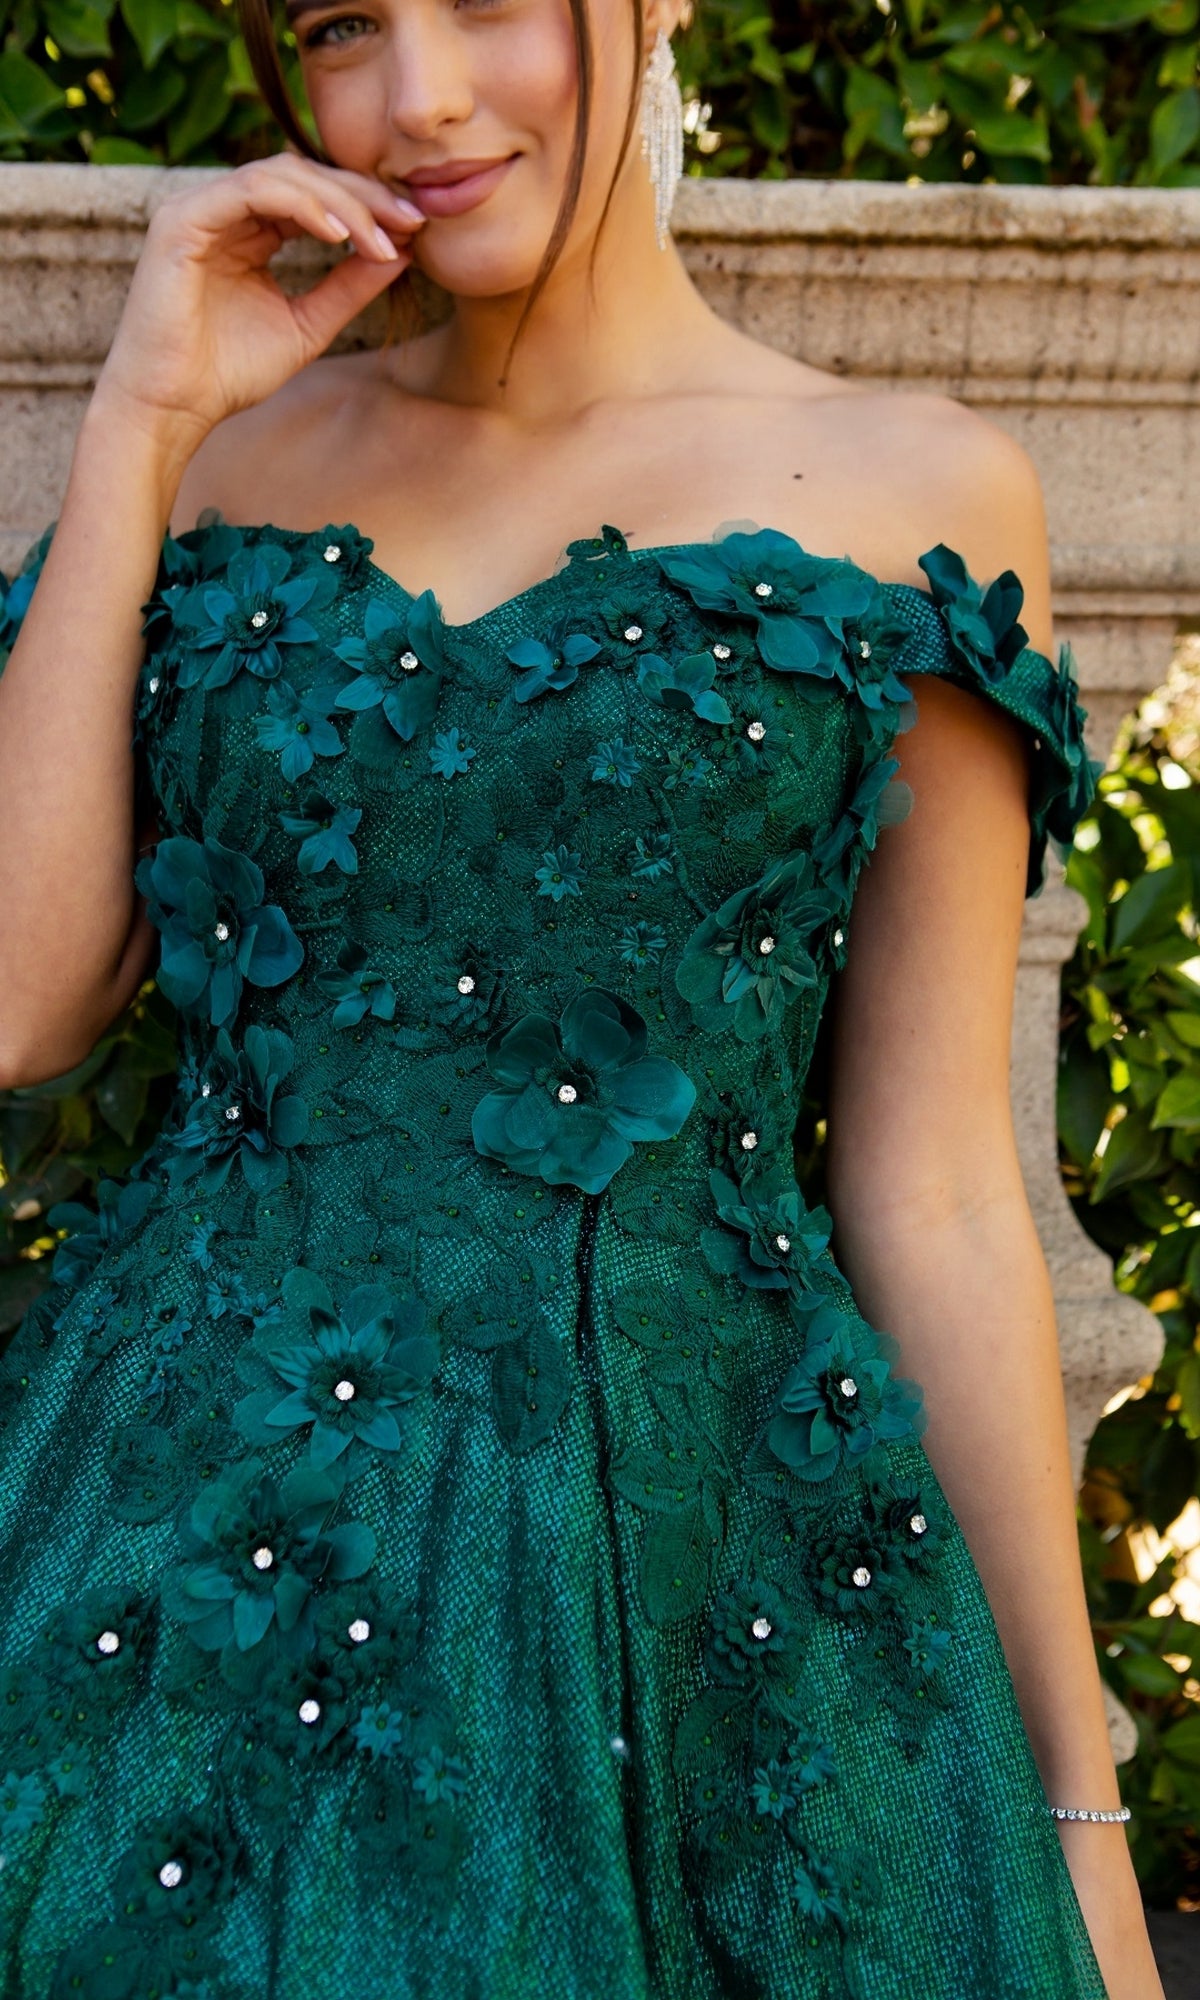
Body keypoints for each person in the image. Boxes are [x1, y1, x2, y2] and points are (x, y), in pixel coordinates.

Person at [0, 1, 1166, 1994]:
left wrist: (1077, 1812)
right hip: (179, 1550)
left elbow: (944, 1185)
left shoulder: (914, 488)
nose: (418, 99)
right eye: (345, 27)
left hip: (689, 1568)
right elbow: (23, 1012)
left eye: (489, 6)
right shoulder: (221, 466)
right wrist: (136, 421)